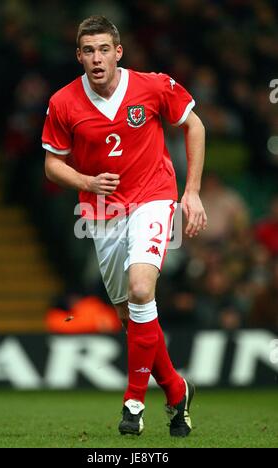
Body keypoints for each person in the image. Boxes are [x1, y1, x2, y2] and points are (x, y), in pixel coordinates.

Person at [42, 15, 207, 437]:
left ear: (118, 51)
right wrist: (85, 182)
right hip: (101, 213)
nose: (96, 59)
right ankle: (175, 390)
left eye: (104, 49)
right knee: (131, 318)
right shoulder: (63, 103)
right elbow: (51, 165)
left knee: (140, 289)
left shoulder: (152, 86)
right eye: (88, 51)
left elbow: (195, 125)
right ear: (78, 55)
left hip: (152, 197)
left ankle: (133, 402)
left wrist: (191, 193)